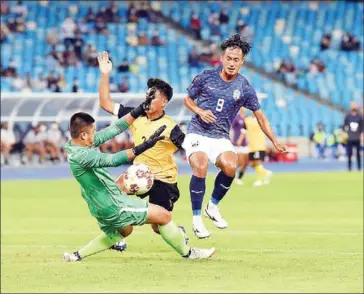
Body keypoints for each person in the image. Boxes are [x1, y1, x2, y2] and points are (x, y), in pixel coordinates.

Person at [63, 108, 215, 261]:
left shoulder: (76, 146)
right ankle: (190, 253)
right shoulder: (82, 155)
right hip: (113, 203)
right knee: (163, 215)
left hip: (98, 205)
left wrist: (140, 108)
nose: (95, 135)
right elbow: (112, 160)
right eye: (93, 131)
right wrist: (144, 146)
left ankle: (76, 256)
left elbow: (115, 128)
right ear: (83, 135)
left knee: (124, 231)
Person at [183, 34, 287, 238]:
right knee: (201, 166)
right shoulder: (206, 77)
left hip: (220, 136)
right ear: (222, 58)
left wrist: (274, 141)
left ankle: (212, 207)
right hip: (198, 132)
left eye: (236, 60)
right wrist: (199, 111)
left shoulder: (244, 87)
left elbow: (260, 116)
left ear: (242, 62)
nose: (231, 63)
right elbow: (187, 99)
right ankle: (196, 220)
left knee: (232, 165)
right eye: (228, 58)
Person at [97, 52, 187, 236]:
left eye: (153, 96)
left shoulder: (171, 127)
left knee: (158, 227)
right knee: (110, 198)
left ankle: (178, 232)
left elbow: (191, 148)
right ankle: (116, 237)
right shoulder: (135, 115)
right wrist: (105, 74)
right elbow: (105, 103)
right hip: (139, 173)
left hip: (163, 180)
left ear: (164, 101)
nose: (148, 99)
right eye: (147, 95)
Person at [244, 112, 272, 187]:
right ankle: (265, 172)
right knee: (253, 164)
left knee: (257, 162)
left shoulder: (259, 121)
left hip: (259, 145)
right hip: (251, 146)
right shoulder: (249, 120)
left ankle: (259, 180)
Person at [230, 108, 249, 185]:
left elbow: (245, 131)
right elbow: (230, 128)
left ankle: (239, 178)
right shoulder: (236, 118)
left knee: (246, 163)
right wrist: (232, 138)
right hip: (238, 143)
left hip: (245, 144)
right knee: (240, 162)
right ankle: (227, 175)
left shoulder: (245, 118)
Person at [343, 102, 363, 171]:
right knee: (349, 154)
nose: (354, 107)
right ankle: (349, 168)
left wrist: (362, 135)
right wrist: (343, 134)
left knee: (358, 154)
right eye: (352, 106)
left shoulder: (359, 116)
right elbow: (344, 126)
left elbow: (362, 127)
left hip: (357, 138)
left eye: (355, 106)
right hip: (350, 138)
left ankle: (359, 167)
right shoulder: (348, 116)